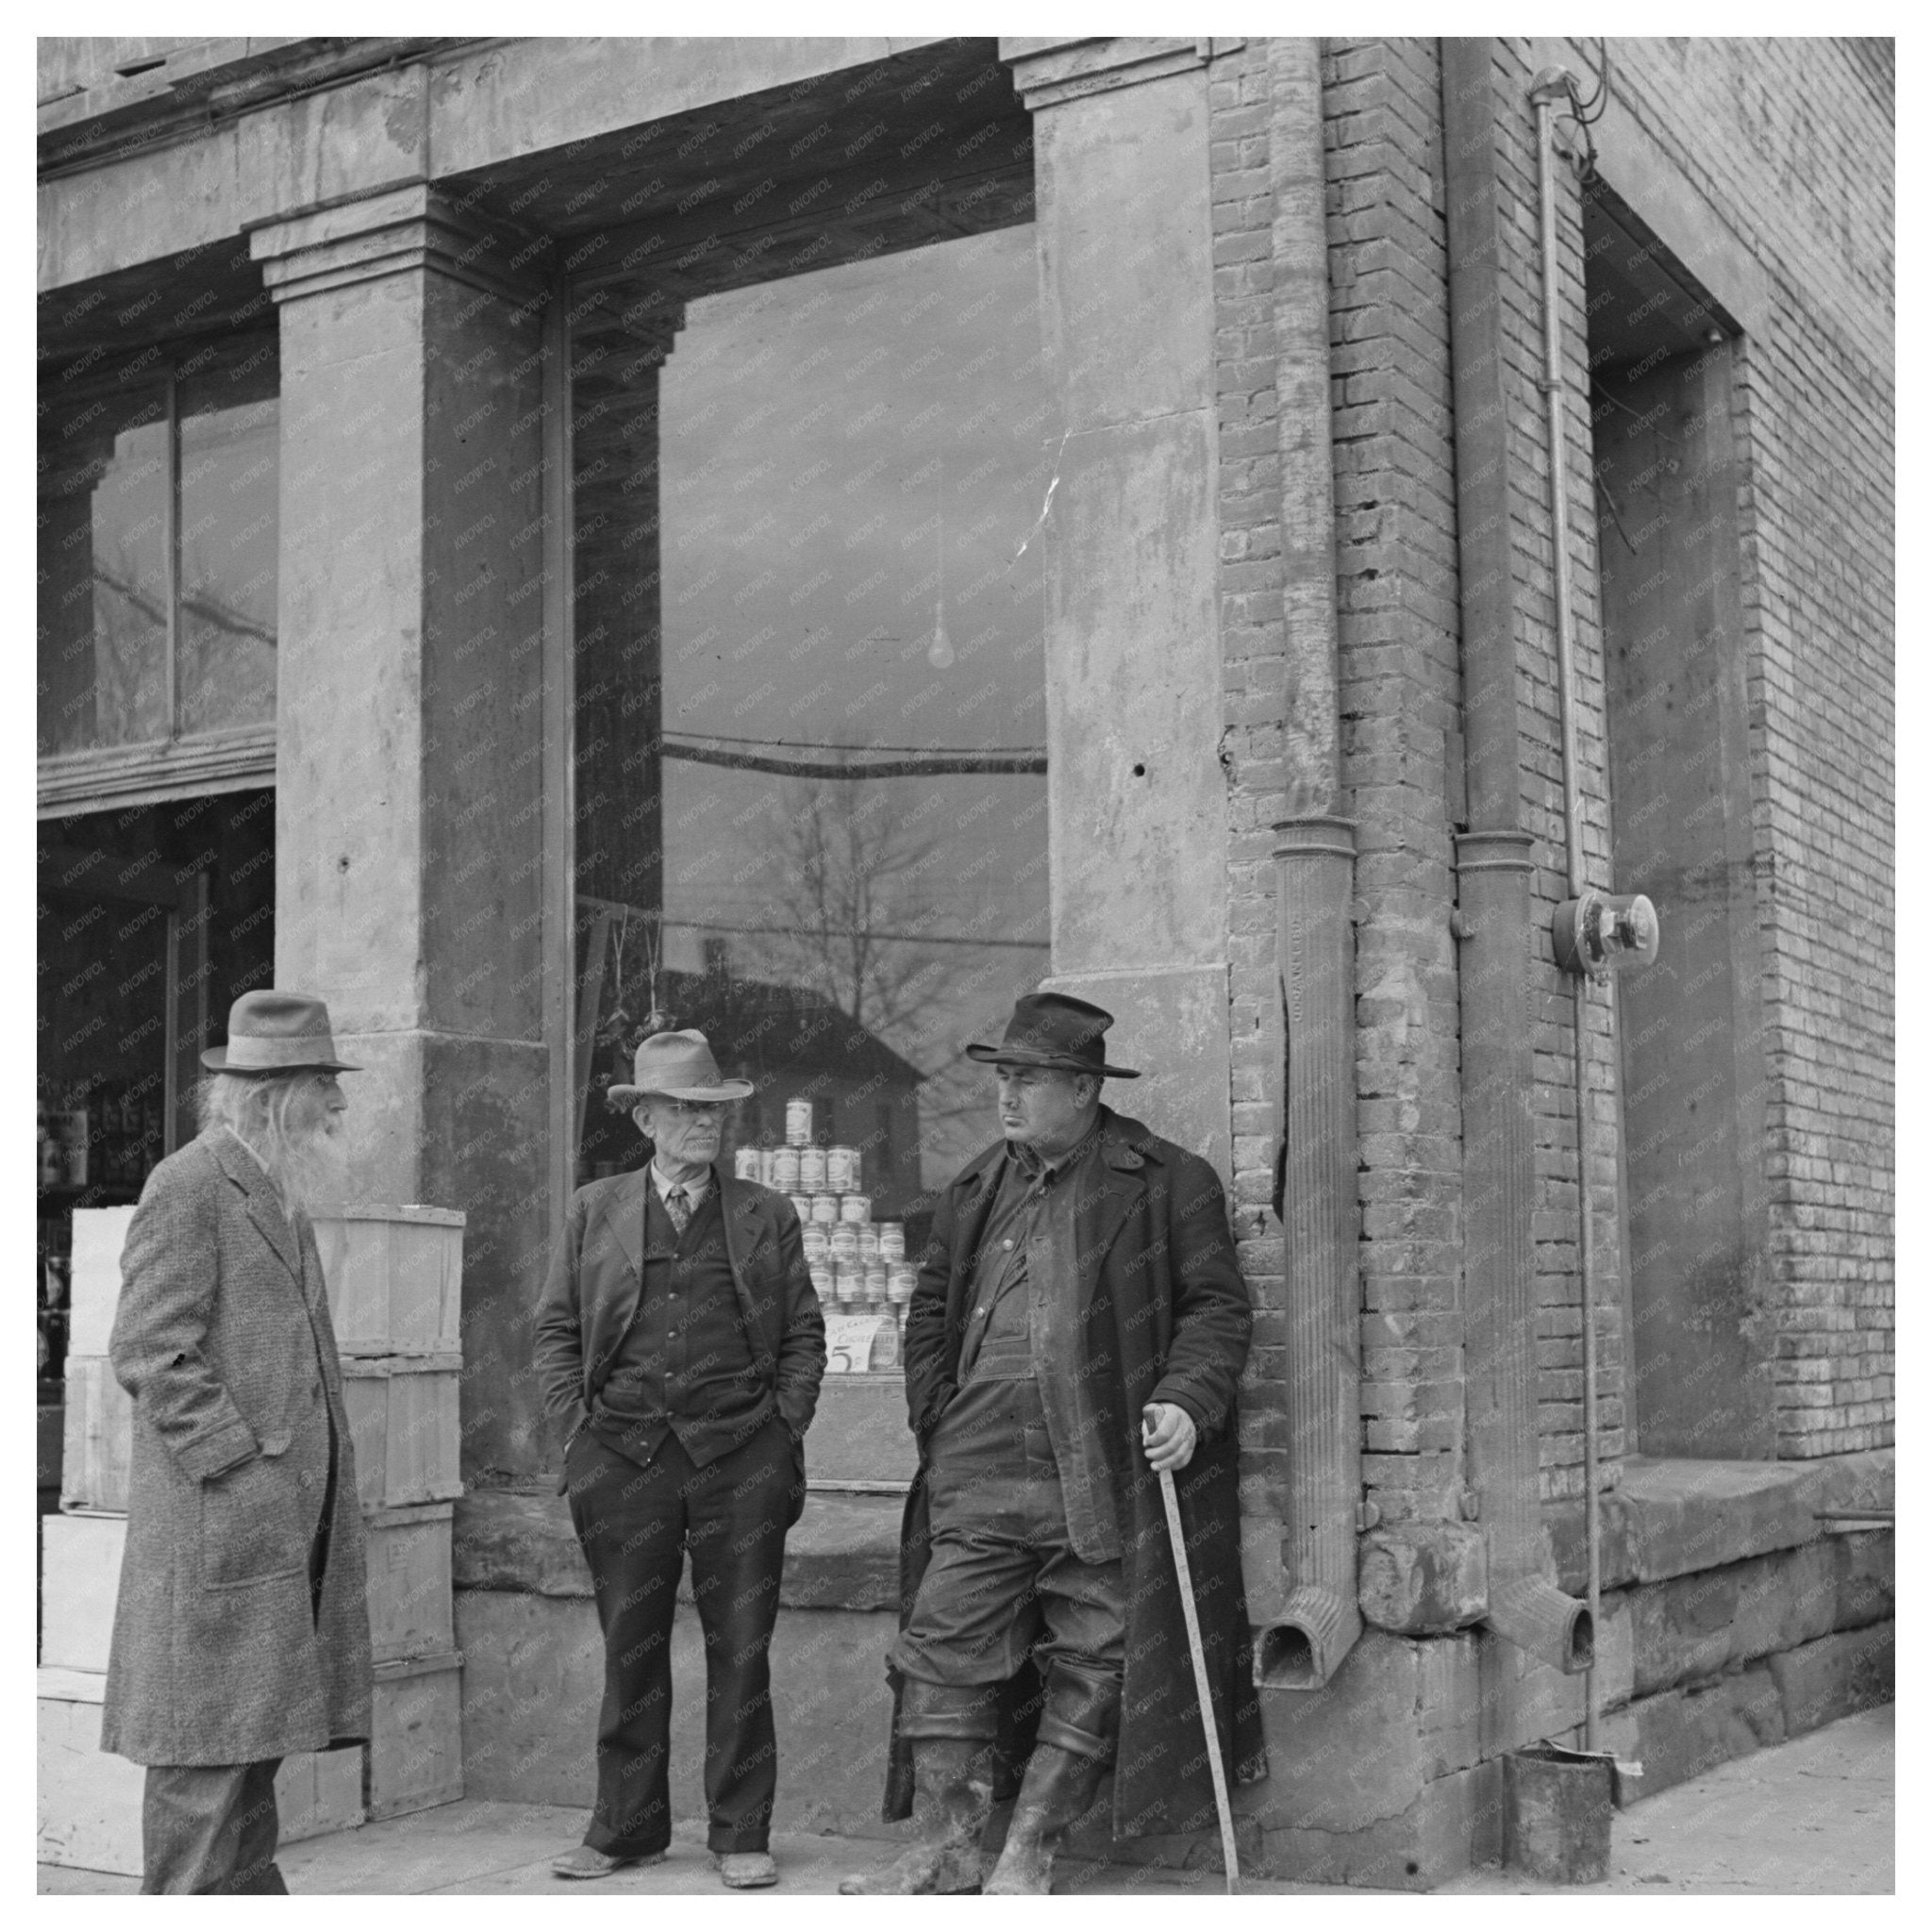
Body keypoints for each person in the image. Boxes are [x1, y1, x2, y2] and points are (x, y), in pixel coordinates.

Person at [841, 991, 1265, 1896]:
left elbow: (1217, 1309)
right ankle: (947, 1850)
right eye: (1001, 1077)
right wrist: (938, 1416)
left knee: (1099, 1658)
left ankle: (1029, 1850)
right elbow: (928, 1314)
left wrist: (1187, 1400)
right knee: (940, 1651)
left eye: (1026, 1079)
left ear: (1082, 1088)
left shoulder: (1165, 1182)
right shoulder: (974, 1188)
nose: (1006, 1096)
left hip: (1097, 1470)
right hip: (978, 1472)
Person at [533, 1029, 827, 1889]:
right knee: (632, 1643)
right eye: (688, 1110)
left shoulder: (767, 1214)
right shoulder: (595, 1208)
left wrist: (784, 1429)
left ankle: (740, 1832)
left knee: (743, 1645)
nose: (705, 1125)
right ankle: (626, 1828)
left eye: (715, 1110)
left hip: (741, 1457)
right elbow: (555, 1328)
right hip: (621, 1456)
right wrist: (574, 1431)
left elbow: (805, 1333)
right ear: (647, 1118)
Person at [103, 990, 372, 1893]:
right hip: (220, 1537)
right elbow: (149, 1350)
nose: (338, 1105)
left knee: (252, 1766)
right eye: (324, 1086)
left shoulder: (277, 1191)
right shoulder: (188, 1185)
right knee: (205, 1769)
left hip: (276, 1535)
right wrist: (243, 1472)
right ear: (274, 1094)